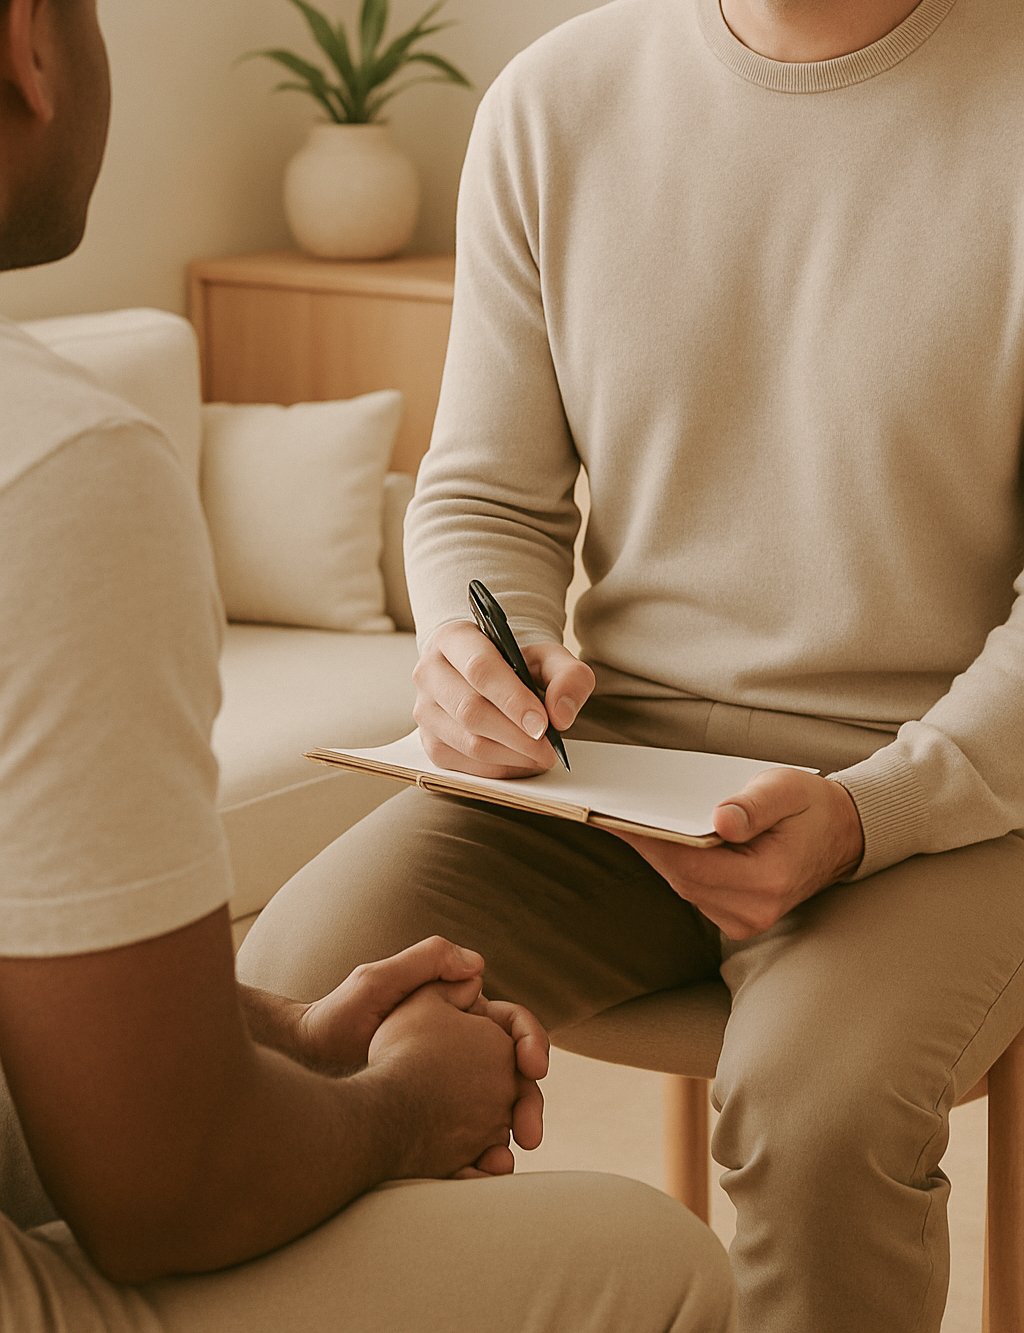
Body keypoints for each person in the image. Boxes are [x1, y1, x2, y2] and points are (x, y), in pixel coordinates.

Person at [237, 0, 1024, 1330]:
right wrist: (475, 648)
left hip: (945, 791)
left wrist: (867, 814)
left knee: (817, 1113)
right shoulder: (554, 101)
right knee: (300, 1010)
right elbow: (484, 492)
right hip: (617, 775)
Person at [0, 0, 738, 1329]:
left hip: (888, 802)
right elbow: (164, 1187)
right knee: (663, 1256)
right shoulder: (56, 471)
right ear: (25, 44)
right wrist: (406, 1104)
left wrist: (291, 1036)